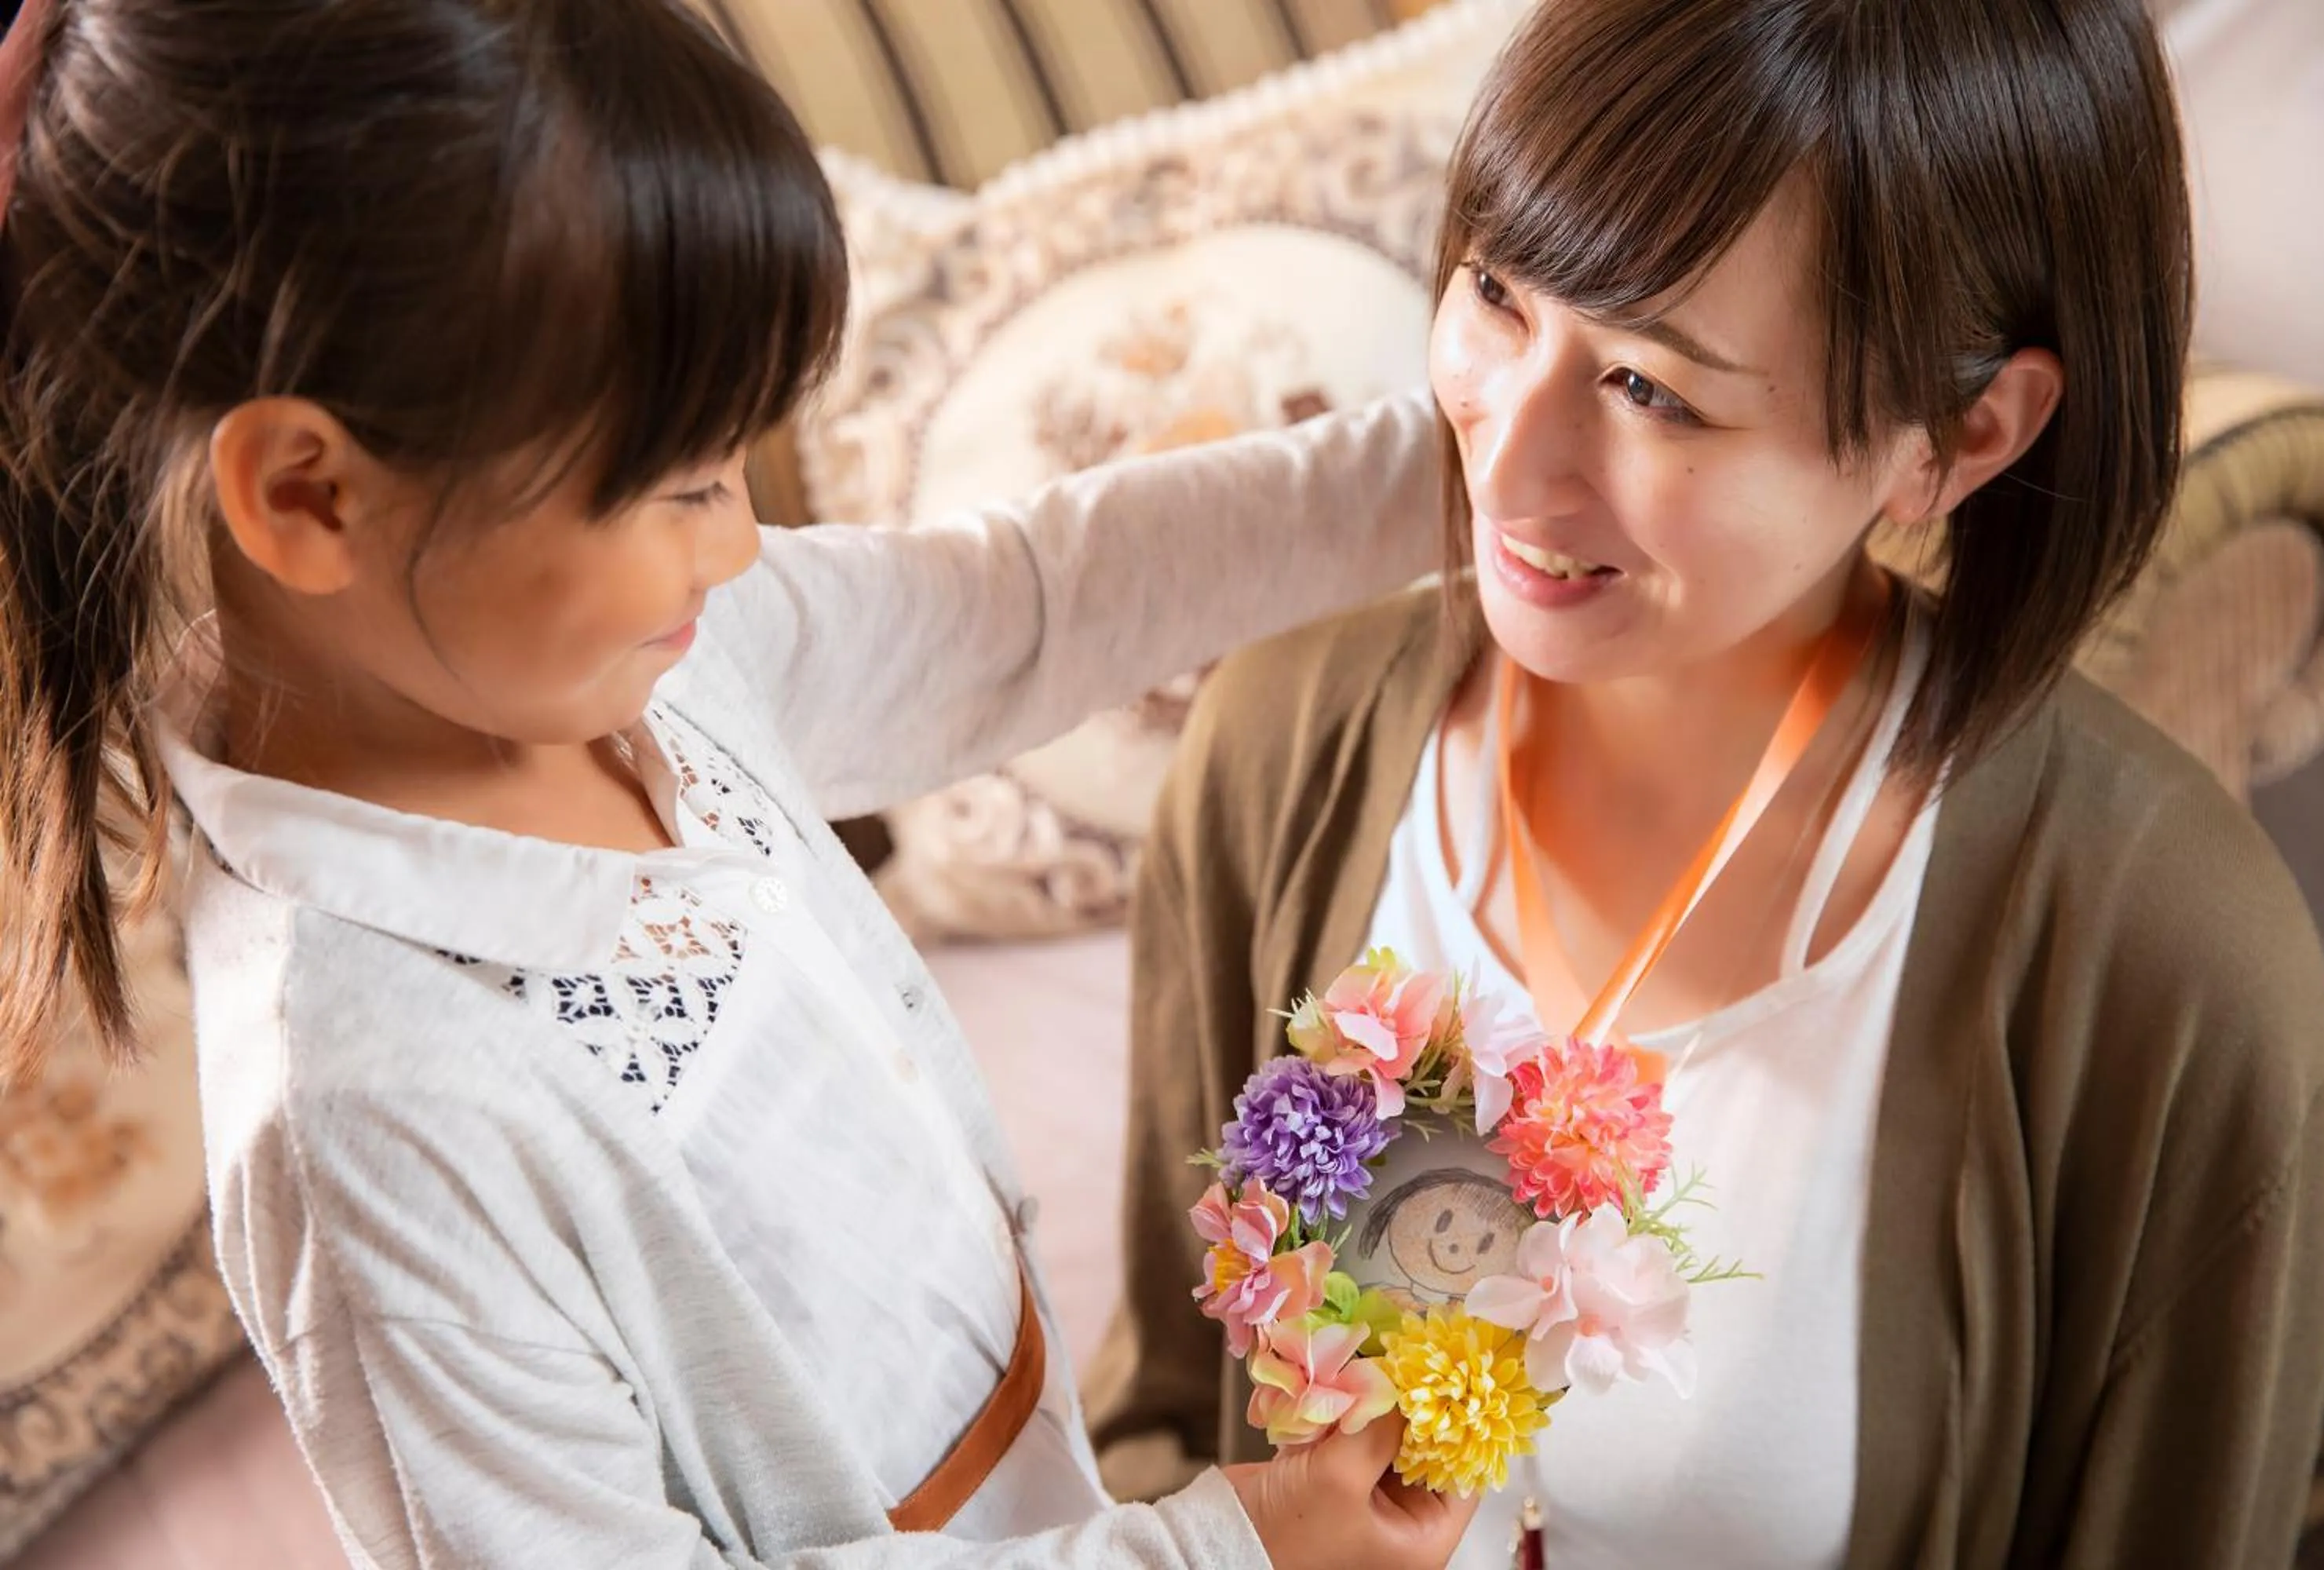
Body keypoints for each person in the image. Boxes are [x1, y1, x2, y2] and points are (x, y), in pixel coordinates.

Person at [0, 1, 1480, 1565]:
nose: (733, 545)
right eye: (682, 481)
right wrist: (1221, 1549)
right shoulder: (374, 1107)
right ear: (312, 493)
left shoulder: (643, 671)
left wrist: (1468, 462)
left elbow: (1029, 601)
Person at [1088, 0, 2324, 1565]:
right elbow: (1153, 1435)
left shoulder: (2172, 963)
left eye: (1654, 391)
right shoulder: (1284, 755)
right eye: (1496, 293)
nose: (1512, 462)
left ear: (1958, 438)